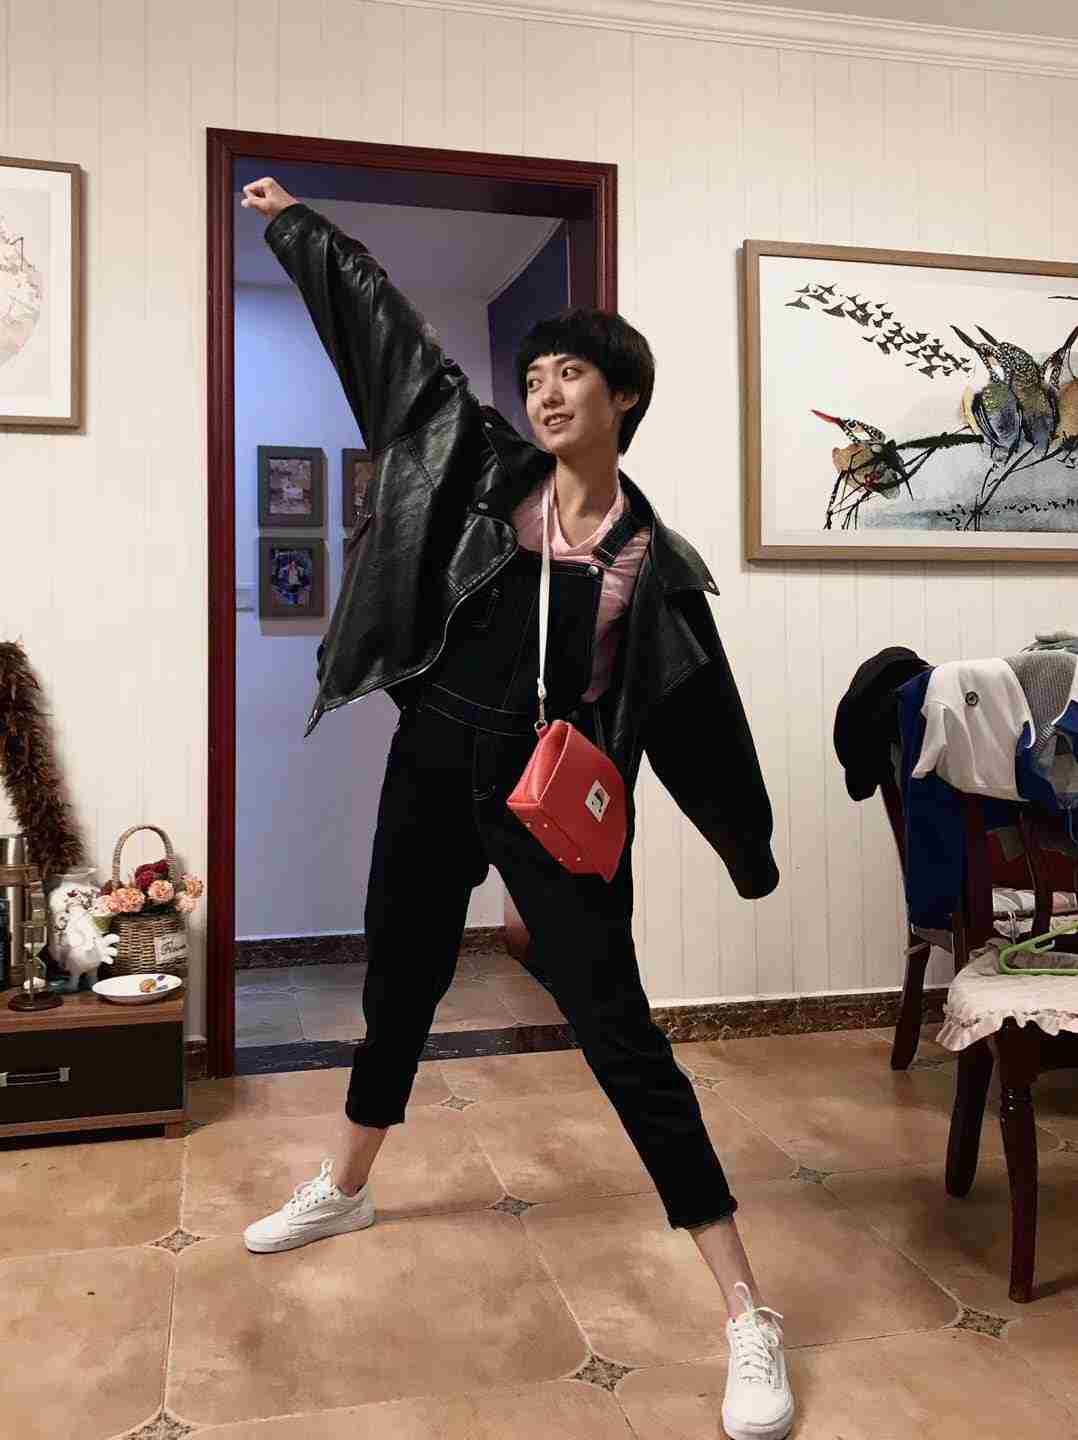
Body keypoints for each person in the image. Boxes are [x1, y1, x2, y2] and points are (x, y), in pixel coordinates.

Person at [238, 176, 794, 1440]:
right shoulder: (479, 467)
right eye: (534, 375)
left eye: (569, 375)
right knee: (402, 980)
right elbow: (391, 340)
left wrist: (747, 851)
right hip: (434, 756)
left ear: (622, 398)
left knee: (619, 1032)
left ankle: (744, 1309)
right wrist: (298, 228)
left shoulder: (652, 566)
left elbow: (700, 723)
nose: (543, 393)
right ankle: (347, 1182)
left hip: (550, 799)